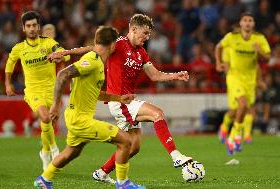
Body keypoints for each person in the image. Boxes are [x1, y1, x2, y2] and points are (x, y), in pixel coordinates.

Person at [47, 14, 196, 184]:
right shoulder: (118, 44)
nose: (147, 38)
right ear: (133, 29)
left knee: (133, 147)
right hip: (119, 101)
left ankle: (102, 173)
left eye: (148, 34)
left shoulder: (141, 52)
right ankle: (176, 156)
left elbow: (154, 75)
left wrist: (175, 75)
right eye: (145, 33)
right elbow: (93, 48)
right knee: (157, 114)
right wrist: (65, 53)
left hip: (127, 101)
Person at [34, 26, 145, 189]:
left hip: (76, 117)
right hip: (80, 120)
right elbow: (62, 74)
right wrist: (55, 106)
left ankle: (44, 179)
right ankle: (123, 183)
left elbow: (96, 93)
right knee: (126, 140)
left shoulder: (96, 62)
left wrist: (120, 98)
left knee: (72, 151)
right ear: (113, 45)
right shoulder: (92, 61)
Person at [5, 11, 70, 170]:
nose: (32, 28)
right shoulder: (19, 48)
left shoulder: (48, 43)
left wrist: (60, 56)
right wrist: (8, 83)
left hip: (52, 90)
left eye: (34, 25)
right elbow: (9, 64)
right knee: (45, 117)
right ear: (23, 28)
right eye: (28, 26)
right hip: (33, 91)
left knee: (48, 122)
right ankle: (54, 150)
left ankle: (45, 151)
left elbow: (65, 54)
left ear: (39, 27)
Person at [215, 12, 271, 155]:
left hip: (250, 80)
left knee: (243, 109)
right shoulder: (231, 38)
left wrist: (260, 52)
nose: (247, 23)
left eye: (250, 20)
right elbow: (218, 47)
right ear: (240, 24)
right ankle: (236, 133)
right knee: (243, 105)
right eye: (245, 20)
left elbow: (267, 58)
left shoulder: (259, 38)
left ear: (253, 24)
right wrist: (218, 63)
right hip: (234, 78)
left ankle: (234, 136)